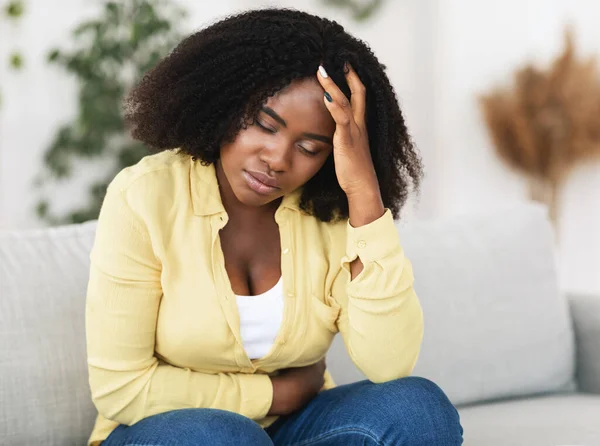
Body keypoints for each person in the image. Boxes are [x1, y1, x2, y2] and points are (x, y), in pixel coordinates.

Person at [85, 7, 463, 446]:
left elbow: (389, 365)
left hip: (295, 429)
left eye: (309, 147)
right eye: (265, 125)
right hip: (170, 430)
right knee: (224, 437)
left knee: (418, 409)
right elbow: (120, 389)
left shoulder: (332, 213)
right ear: (227, 101)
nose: (278, 159)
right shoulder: (145, 197)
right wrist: (276, 394)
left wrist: (364, 196)